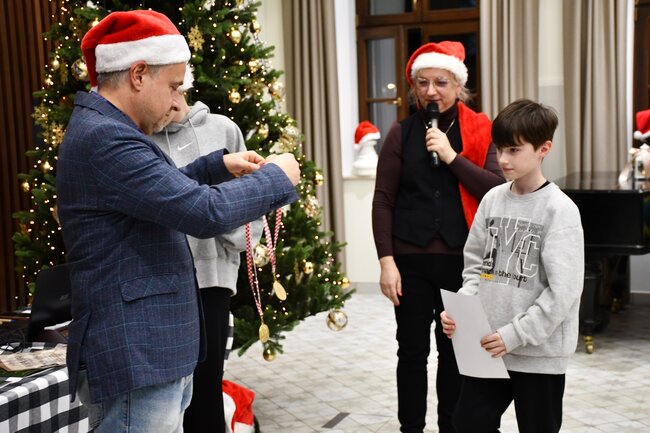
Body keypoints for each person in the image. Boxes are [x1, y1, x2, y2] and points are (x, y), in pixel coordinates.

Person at [56, 10, 300, 433]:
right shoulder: (107, 138)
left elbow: (153, 195)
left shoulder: (109, 129)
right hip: (138, 354)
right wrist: (277, 178)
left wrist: (217, 166)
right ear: (138, 74)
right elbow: (204, 212)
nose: (176, 103)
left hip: (150, 353)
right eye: (172, 86)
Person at [371, 41, 505, 433]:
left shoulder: (482, 128)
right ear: (414, 88)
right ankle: (410, 428)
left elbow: (495, 190)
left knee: (454, 353)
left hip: (462, 264)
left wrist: (451, 156)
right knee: (412, 352)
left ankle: (452, 427)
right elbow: (383, 200)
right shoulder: (400, 133)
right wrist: (386, 262)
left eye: (441, 82)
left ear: (458, 86)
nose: (431, 91)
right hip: (409, 261)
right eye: (423, 83)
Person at [441, 99, 584, 433]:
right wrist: (463, 311)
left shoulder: (560, 210)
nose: (503, 159)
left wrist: (515, 335)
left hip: (538, 355)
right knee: (467, 423)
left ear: (543, 148)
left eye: (514, 150)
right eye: (500, 149)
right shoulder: (492, 199)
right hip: (489, 348)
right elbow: (475, 267)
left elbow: (563, 293)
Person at [151, 73, 262, 433]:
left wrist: (216, 220)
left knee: (206, 390)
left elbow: (250, 203)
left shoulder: (223, 130)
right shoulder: (139, 136)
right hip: (161, 281)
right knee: (167, 396)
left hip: (212, 281)